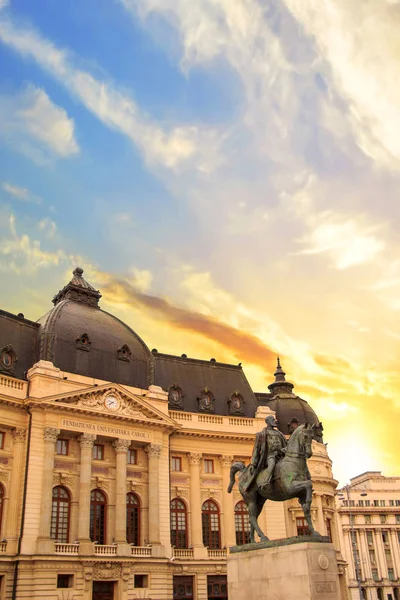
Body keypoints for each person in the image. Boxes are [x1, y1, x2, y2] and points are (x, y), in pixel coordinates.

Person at [243, 415, 287, 491]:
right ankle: (265, 482)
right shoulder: (262, 434)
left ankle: (289, 481)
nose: (275, 421)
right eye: (273, 420)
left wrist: (285, 450)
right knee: (271, 465)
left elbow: (286, 444)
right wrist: (253, 463)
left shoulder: (279, 434)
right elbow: (256, 449)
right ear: (268, 422)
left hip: (281, 455)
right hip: (270, 455)